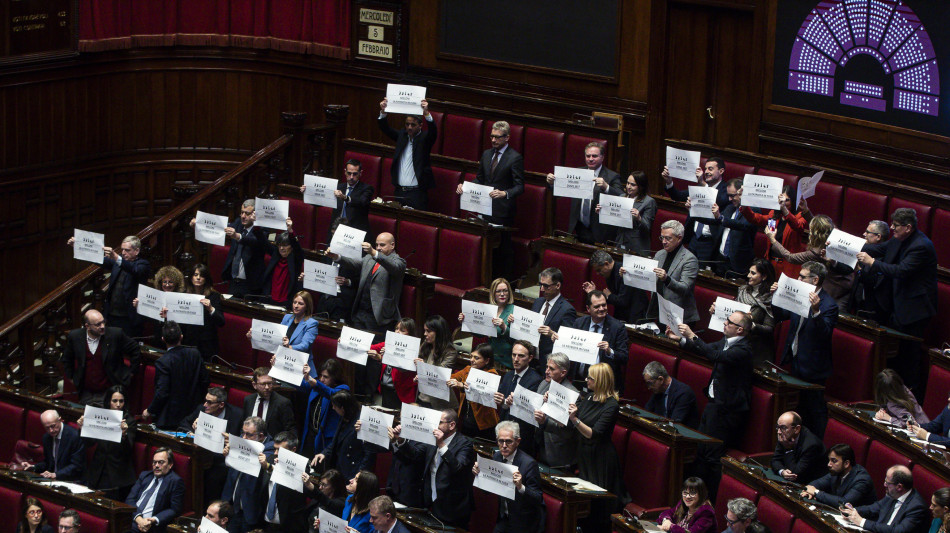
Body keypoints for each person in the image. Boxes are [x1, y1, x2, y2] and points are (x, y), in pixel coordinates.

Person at [667, 312, 754, 498]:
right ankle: (694, 495)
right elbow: (705, 349)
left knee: (712, 457)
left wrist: (692, 335)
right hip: (713, 404)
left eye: (729, 322)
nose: (725, 323)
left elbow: (714, 355)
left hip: (727, 412)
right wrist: (680, 340)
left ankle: (710, 499)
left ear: (740, 329)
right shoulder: (726, 342)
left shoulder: (743, 350)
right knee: (701, 450)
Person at [857, 207, 938, 393]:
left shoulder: (921, 245)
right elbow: (877, 248)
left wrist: (872, 263)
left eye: (896, 226)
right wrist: (845, 243)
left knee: (909, 357)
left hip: (915, 310)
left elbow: (901, 271)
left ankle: (910, 395)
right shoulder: (898, 239)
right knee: (895, 355)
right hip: (899, 304)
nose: (892, 229)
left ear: (908, 227)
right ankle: (892, 392)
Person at [771, 261, 838, 438]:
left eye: (802, 276)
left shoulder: (829, 305)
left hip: (814, 367)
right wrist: (776, 297)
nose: (798, 278)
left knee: (813, 411)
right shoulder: (799, 295)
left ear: (815, 280)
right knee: (797, 408)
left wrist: (816, 312)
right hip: (795, 359)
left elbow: (824, 334)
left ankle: (818, 446)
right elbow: (781, 316)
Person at [338, 234, 406, 387]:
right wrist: (337, 257)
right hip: (360, 313)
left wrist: (375, 253)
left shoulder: (399, 261)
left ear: (392, 245)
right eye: (377, 245)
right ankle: (356, 389)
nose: (379, 248)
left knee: (372, 358)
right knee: (356, 353)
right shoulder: (369, 258)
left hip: (378, 318)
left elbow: (394, 269)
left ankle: (369, 392)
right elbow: (355, 264)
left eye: (382, 245)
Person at [461, 120, 524, 278]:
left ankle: (503, 281)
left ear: (507, 137)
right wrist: (465, 186)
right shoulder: (486, 154)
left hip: (502, 211)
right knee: (485, 247)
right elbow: (480, 179)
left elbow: (520, 186)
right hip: (484, 207)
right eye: (492, 137)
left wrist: (505, 193)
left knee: (502, 251)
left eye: (497, 137)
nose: (494, 140)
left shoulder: (515, 158)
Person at [392, 409, 475, 528]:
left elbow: (457, 468)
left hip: (453, 507)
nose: (434, 427)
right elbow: (415, 456)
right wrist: (401, 440)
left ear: (452, 425)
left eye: (439, 423)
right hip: (431, 501)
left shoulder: (464, 444)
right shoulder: (431, 439)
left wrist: (441, 444)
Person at [569, 363, 626, 531]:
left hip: (600, 458)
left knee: (598, 503)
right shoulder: (588, 397)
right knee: (585, 499)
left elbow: (593, 434)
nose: (586, 380)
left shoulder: (611, 405)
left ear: (600, 381)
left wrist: (575, 419)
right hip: (584, 455)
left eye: (590, 378)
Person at [67, 234, 152, 337]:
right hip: (112, 315)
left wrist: (116, 257)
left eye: (127, 250)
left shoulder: (143, 265)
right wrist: (78, 246)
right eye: (122, 250)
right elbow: (98, 258)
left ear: (136, 251)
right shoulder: (117, 263)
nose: (123, 253)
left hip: (129, 317)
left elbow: (133, 269)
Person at [766, 213, 854, 308]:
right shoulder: (835, 235)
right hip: (847, 283)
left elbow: (790, 257)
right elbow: (821, 227)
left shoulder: (817, 252)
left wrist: (773, 240)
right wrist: (806, 210)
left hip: (834, 291)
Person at [472, 421, 545, 532]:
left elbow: (538, 499)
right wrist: (480, 475)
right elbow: (487, 491)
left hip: (523, 524)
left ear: (518, 441)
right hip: (503, 519)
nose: (504, 446)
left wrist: (521, 487)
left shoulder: (529, 464)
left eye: (508, 442)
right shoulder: (497, 456)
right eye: (501, 441)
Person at [545, 141, 623, 245]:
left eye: (594, 156)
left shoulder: (612, 176)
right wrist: (552, 183)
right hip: (578, 228)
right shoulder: (577, 172)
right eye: (588, 156)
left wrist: (606, 187)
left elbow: (621, 197)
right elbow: (560, 194)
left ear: (602, 157)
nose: (590, 159)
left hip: (600, 231)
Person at [550, 290, 627, 392]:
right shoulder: (579, 323)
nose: (601, 309)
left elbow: (624, 358)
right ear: (588, 308)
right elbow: (570, 348)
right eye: (597, 306)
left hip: (603, 385)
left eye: (604, 305)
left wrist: (609, 351)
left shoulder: (617, 327)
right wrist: (559, 342)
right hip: (579, 381)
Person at [61, 308, 140, 407]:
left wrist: (131, 373)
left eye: (103, 322)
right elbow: (67, 358)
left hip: (109, 391)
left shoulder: (115, 334)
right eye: (98, 324)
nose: (102, 326)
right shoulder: (75, 336)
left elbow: (135, 349)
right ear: (87, 326)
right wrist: (72, 378)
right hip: (86, 392)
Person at [179, 387, 243, 505]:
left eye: (209, 402)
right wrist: (192, 432)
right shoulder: (201, 409)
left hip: (221, 460)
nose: (205, 404)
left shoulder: (237, 415)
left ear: (221, 404)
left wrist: (230, 440)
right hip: (200, 455)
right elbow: (184, 424)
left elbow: (243, 441)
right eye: (205, 400)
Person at [143, 321, 209, 429]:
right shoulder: (195, 354)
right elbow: (205, 381)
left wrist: (149, 410)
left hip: (170, 419)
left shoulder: (163, 362)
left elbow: (162, 393)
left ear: (163, 339)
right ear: (181, 337)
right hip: (193, 415)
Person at [709, 258, 776, 365]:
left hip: (754, 351)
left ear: (764, 276)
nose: (748, 275)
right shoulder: (743, 290)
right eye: (749, 272)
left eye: (753, 273)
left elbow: (769, 329)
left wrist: (752, 325)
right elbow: (733, 315)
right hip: (734, 344)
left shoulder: (770, 297)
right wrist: (716, 311)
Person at [378, 98, 437, 210]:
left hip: (416, 193)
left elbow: (433, 132)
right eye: (407, 124)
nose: (409, 127)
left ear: (420, 125)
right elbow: (385, 128)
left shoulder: (425, 139)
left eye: (413, 125)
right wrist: (383, 112)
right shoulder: (402, 136)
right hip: (399, 191)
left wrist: (427, 114)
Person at [80, 385, 137, 499]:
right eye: (114, 401)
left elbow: (127, 450)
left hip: (118, 474)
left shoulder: (129, 421)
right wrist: (83, 428)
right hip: (98, 471)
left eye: (121, 401)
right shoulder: (101, 417)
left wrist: (124, 434)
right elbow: (89, 443)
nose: (118, 404)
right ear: (108, 401)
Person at [740, 185, 808, 279]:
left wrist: (784, 209)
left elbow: (797, 225)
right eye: (781, 200)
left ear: (793, 200)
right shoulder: (774, 214)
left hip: (788, 266)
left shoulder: (801, 216)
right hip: (771, 263)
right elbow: (756, 219)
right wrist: (744, 203)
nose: (783, 202)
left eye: (787, 200)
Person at [221, 417, 275, 533]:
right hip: (232, 505)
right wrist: (228, 454)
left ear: (260, 436)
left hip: (250, 509)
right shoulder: (241, 441)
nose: (244, 437)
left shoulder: (270, 451)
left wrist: (264, 464)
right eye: (242, 432)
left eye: (249, 434)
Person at [840, 464, 929, 533]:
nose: (884, 485)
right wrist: (851, 511)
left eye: (887, 482)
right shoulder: (892, 495)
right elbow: (872, 509)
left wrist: (862, 522)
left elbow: (897, 531)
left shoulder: (917, 507)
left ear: (899, 487)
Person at [495, 340, 544, 456]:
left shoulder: (535, 380)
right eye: (514, 355)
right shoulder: (508, 375)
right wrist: (502, 401)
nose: (516, 359)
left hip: (522, 435)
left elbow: (531, 410)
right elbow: (504, 404)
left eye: (521, 356)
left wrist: (511, 403)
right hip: (504, 431)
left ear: (530, 358)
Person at [300, 158, 374, 235]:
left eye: (355, 174)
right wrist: (307, 193)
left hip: (355, 231)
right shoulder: (338, 187)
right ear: (345, 172)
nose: (351, 177)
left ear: (360, 173)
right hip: (336, 230)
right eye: (349, 173)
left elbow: (362, 202)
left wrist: (346, 198)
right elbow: (321, 202)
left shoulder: (367, 189)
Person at [313, 391, 376, 479]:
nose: (333, 408)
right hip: (340, 467)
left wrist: (361, 473)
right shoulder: (344, 418)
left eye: (335, 405)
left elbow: (369, 452)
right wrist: (324, 453)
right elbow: (338, 441)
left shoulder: (361, 422)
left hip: (353, 472)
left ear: (342, 408)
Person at [649, 220, 699, 327]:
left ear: (679, 238)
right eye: (662, 237)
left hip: (679, 316)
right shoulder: (659, 254)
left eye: (668, 238)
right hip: (658, 309)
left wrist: (667, 279)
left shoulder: (689, 259)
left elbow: (685, 288)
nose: (664, 241)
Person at [533, 353, 579, 468]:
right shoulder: (544, 383)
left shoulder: (572, 394)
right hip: (538, 443)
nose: (546, 371)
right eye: (546, 367)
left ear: (563, 373)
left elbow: (568, 428)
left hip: (557, 451)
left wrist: (545, 420)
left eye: (551, 369)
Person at [125, 447, 185, 533]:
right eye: (154, 462)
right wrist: (139, 519)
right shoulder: (145, 476)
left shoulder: (175, 481)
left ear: (170, 465)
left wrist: (153, 520)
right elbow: (130, 499)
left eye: (161, 462)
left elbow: (175, 509)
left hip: (151, 525)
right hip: (132, 518)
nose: (156, 465)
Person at [459, 277, 515, 369]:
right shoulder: (489, 309)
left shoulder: (514, 310)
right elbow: (481, 334)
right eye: (498, 291)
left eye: (505, 291)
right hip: (490, 359)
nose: (502, 294)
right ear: (493, 293)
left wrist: (504, 327)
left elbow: (516, 340)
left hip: (506, 361)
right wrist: (465, 322)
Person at [314, 216, 361, 323]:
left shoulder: (356, 255)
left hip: (343, 302)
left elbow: (362, 281)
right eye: (332, 235)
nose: (333, 239)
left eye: (337, 236)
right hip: (325, 299)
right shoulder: (328, 250)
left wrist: (348, 281)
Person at [448, 343, 500, 441]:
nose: (472, 360)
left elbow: (479, 389)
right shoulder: (467, 369)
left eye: (476, 358)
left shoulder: (492, 374)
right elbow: (450, 378)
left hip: (484, 425)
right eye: (471, 356)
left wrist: (462, 385)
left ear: (487, 360)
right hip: (466, 419)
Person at [260, 432, 309, 532]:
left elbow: (290, 480)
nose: (275, 453)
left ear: (293, 450)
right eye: (275, 449)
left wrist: (269, 468)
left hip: (288, 525)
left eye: (280, 450)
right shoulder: (270, 459)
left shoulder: (303, 467)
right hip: (266, 522)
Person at [707, 179, 757, 277]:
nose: (729, 199)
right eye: (728, 195)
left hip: (738, 265)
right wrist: (694, 212)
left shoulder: (753, 210)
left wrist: (721, 218)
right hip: (720, 261)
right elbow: (715, 221)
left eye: (732, 195)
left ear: (742, 193)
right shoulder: (729, 208)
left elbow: (742, 225)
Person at [300, 359, 349, 457]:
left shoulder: (343, 389)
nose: (322, 379)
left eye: (326, 377)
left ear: (335, 377)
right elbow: (299, 384)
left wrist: (311, 380)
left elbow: (332, 394)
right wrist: (279, 368)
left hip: (326, 441)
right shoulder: (317, 385)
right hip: (310, 436)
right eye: (321, 375)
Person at [526, 267, 577, 362]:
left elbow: (568, 342)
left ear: (557, 285)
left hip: (548, 362)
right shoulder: (538, 302)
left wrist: (552, 334)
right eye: (540, 285)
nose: (541, 289)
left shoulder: (567, 310)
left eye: (546, 286)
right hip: (531, 358)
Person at [801, 443, 875, 507]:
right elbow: (817, 483)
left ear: (846, 463)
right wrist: (808, 491)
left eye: (834, 461)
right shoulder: (837, 472)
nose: (829, 464)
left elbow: (845, 503)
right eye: (829, 460)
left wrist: (816, 492)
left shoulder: (862, 480)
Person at [219, 199, 267, 297]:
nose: (243, 216)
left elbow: (255, 242)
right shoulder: (238, 223)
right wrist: (199, 226)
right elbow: (220, 228)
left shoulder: (262, 230)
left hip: (251, 285)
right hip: (234, 281)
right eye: (242, 212)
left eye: (247, 213)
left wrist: (238, 236)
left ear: (255, 214)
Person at [367, 318, 419, 409]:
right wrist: (346, 340)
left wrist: (384, 357)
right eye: (396, 329)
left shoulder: (413, 349)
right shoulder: (389, 343)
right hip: (386, 389)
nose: (397, 332)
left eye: (402, 330)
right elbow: (369, 347)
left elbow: (405, 368)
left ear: (410, 334)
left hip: (402, 394)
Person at [584, 249, 647, 323]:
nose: (598, 273)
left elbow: (623, 301)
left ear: (606, 264)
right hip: (622, 315)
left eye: (599, 270)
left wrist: (609, 296)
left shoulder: (624, 272)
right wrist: (594, 292)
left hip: (635, 317)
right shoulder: (609, 273)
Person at [20, 409, 84, 481]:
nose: (51, 430)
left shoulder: (74, 436)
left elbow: (76, 466)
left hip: (71, 480)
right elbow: (48, 462)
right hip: (52, 480)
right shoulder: (46, 438)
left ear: (60, 420)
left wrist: (56, 474)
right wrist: (33, 467)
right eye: (47, 428)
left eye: (53, 426)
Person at [603, 170, 656, 256]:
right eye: (628, 183)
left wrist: (639, 218)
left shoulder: (649, 202)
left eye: (633, 185)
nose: (628, 187)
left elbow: (647, 228)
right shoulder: (621, 197)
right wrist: (603, 211)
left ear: (641, 186)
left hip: (637, 246)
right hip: (620, 242)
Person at [132, 264, 185, 347]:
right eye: (164, 282)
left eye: (170, 282)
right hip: (158, 338)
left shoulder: (181, 298)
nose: (167, 285)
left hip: (174, 340)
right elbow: (147, 319)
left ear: (176, 284)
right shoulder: (156, 296)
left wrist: (167, 317)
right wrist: (138, 307)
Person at [850, 220, 891, 324]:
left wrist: (859, 270)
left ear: (878, 237)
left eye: (868, 232)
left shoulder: (886, 260)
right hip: (856, 305)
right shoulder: (864, 252)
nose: (864, 234)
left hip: (874, 311)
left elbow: (875, 282)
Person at [182, 263, 226, 361]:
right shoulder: (184, 295)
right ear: (191, 278)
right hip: (188, 342)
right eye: (195, 275)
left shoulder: (214, 296)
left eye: (201, 275)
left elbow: (221, 322)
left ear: (206, 279)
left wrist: (211, 309)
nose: (198, 278)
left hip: (206, 345)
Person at [313, 471, 379, 533]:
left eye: (356, 480)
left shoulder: (373, 512)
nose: (350, 480)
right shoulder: (349, 499)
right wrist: (323, 526)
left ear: (364, 487)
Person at [415, 315, 458, 410]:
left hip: (440, 404)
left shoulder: (450, 352)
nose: (425, 334)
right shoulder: (425, 346)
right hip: (422, 398)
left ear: (439, 332)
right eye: (425, 330)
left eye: (428, 331)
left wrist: (423, 366)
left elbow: (441, 373)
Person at [771, 411, 826, 484]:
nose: (779, 432)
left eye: (783, 427)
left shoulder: (811, 445)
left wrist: (789, 449)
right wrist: (782, 471)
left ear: (797, 429)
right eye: (778, 427)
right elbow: (775, 460)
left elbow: (795, 474)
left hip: (810, 484)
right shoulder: (785, 434)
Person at [242, 367, 297, 439]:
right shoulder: (248, 400)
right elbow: (244, 425)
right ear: (254, 385)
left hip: (271, 446)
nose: (267, 387)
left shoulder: (283, 403)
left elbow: (290, 431)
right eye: (263, 384)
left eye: (270, 383)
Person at [643, 360, 700, 428]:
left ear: (661, 379)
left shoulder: (684, 393)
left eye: (650, 383)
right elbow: (647, 412)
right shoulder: (658, 390)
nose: (649, 387)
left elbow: (675, 423)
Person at [260, 223, 304, 309]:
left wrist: (291, 231)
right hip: (269, 299)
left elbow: (297, 248)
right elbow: (263, 242)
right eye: (279, 245)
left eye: (285, 245)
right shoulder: (275, 256)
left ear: (291, 247)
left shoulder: (295, 259)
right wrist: (256, 226)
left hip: (287, 302)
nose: (281, 248)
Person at [662, 156, 731, 210]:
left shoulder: (727, 189)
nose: (706, 172)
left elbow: (719, 201)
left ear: (721, 171)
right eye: (705, 169)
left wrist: (703, 183)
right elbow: (677, 196)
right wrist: (669, 182)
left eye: (710, 169)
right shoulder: (700, 187)